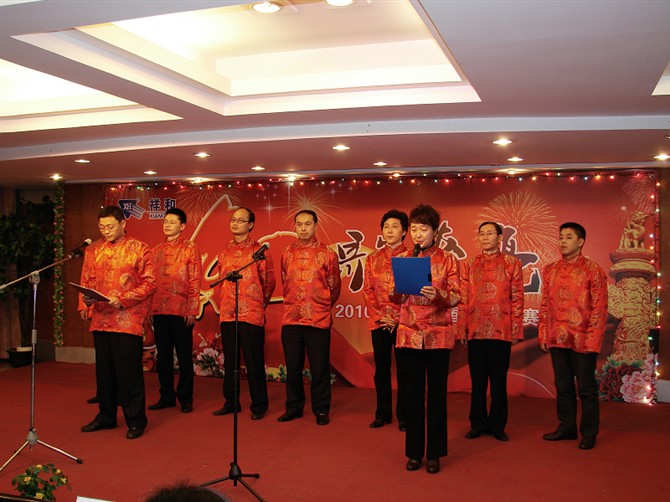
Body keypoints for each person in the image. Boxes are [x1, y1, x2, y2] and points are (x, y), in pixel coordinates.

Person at [392, 204, 460, 474]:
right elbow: (393, 296)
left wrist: (438, 296)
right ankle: (413, 452)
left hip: (437, 336)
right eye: (414, 229)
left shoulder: (448, 259)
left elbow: (456, 296)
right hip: (409, 335)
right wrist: (398, 289)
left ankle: (434, 454)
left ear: (435, 232)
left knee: (437, 396)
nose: (418, 235)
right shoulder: (403, 258)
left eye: (424, 229)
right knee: (412, 395)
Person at [78, 205, 156, 440]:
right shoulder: (94, 249)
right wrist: (84, 303)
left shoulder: (140, 248)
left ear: (123, 224)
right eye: (102, 227)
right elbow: (86, 279)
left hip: (127, 319)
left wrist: (123, 299)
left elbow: (150, 283)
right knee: (104, 372)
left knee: (129, 373)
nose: (106, 231)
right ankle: (106, 416)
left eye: (110, 226)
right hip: (101, 318)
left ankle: (136, 420)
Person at [539, 222, 608, 450]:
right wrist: (543, 333)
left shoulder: (593, 270)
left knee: (586, 388)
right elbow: (545, 304)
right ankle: (567, 426)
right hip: (557, 337)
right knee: (563, 386)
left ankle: (589, 432)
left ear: (580, 242)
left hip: (583, 339)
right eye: (561, 237)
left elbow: (599, 308)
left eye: (568, 237)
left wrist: (592, 339)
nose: (563, 241)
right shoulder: (550, 269)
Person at [458, 221, 524, 442]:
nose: (485, 237)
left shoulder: (512, 264)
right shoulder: (469, 265)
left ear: (499, 238)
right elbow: (463, 300)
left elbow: (517, 298)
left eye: (489, 233)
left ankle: (497, 425)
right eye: (482, 234)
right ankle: (477, 424)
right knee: (477, 382)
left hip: (500, 331)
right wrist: (462, 330)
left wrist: (516, 330)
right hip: (475, 331)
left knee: (498, 382)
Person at [277, 209, 341, 426]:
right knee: (292, 368)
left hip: (317, 319)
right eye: (299, 224)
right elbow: (285, 280)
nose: (303, 228)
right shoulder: (286, 252)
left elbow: (334, 286)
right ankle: (293, 407)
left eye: (307, 224)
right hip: (291, 319)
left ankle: (321, 409)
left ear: (315, 226)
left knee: (319, 368)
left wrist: (321, 306)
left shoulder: (327, 253)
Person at [213, 207, 275, 420]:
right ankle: (231, 402)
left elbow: (268, 282)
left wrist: (257, 303)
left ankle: (259, 405)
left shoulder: (259, 251)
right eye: (233, 219)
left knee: (253, 361)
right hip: (228, 313)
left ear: (250, 225)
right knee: (230, 361)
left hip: (251, 313)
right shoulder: (224, 250)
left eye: (241, 220)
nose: (235, 223)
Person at [148, 208, 201, 414]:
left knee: (184, 356)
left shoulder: (190, 248)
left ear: (182, 226)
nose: (167, 225)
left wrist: (192, 309)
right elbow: (150, 282)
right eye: (165, 221)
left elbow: (195, 280)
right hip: (159, 309)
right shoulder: (156, 250)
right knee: (163, 356)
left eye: (172, 222)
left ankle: (186, 398)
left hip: (181, 310)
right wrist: (150, 309)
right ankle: (166, 396)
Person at [363, 209, 409, 431]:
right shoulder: (372, 258)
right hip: (380, 322)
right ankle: (382, 413)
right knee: (381, 370)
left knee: (405, 371)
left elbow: (414, 294)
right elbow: (368, 291)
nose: (389, 231)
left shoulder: (413, 258)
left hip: (405, 324)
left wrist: (398, 318)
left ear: (405, 231)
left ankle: (404, 415)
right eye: (386, 227)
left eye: (395, 226)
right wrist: (383, 317)